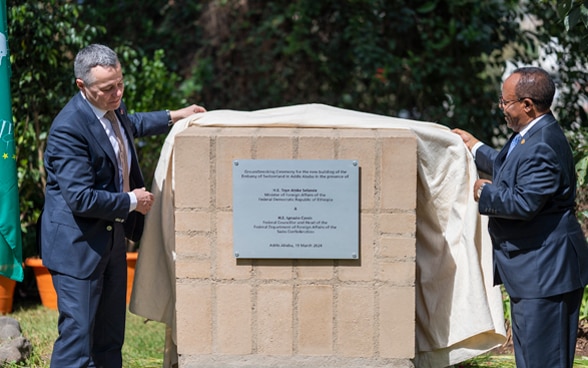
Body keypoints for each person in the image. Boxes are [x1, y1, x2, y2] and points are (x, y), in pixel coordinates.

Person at [39, 43, 206, 367]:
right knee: (77, 342)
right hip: (77, 247)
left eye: (120, 83)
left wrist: (175, 116)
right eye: (108, 88)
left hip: (111, 240)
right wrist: (132, 200)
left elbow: (132, 125)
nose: (117, 93)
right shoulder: (68, 130)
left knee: (110, 338)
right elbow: (80, 197)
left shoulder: (113, 107)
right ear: (82, 86)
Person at [453, 66, 588, 368]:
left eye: (505, 102)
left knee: (544, 361)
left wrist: (484, 193)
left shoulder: (542, 145)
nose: (502, 108)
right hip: (535, 272)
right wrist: (474, 147)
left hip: (546, 273)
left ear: (527, 104)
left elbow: (524, 202)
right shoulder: (533, 135)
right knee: (531, 359)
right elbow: (510, 165)